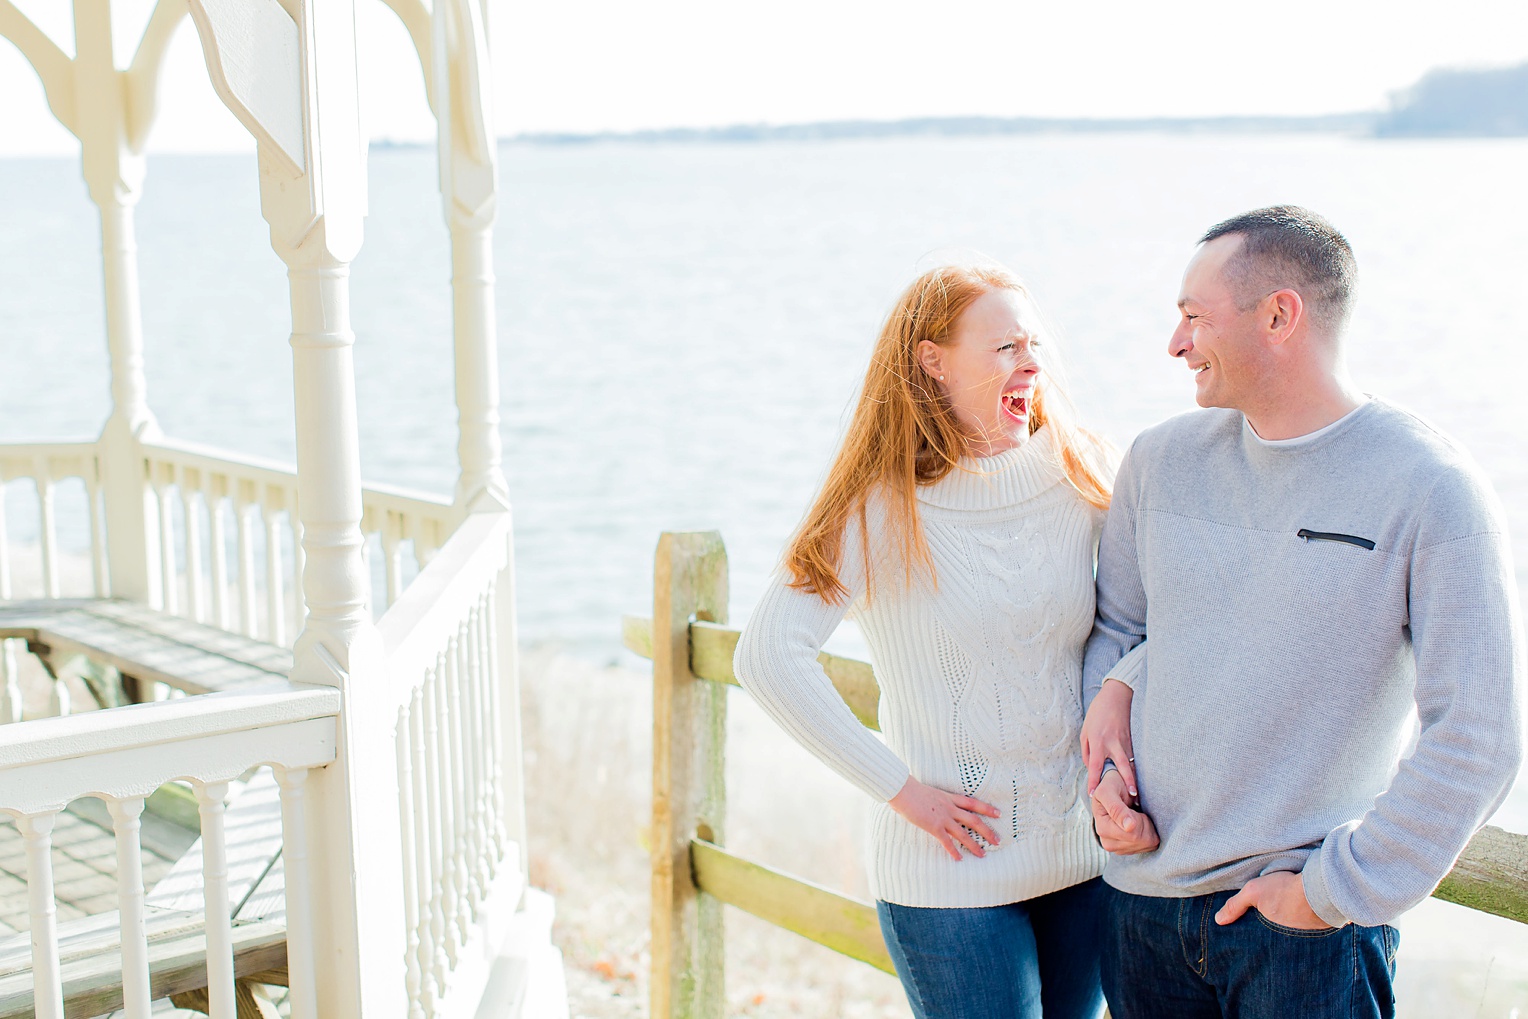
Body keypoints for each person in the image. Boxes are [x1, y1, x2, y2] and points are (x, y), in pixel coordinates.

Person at [1079, 205, 1525, 1019]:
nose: (1175, 344)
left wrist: (1335, 892)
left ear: (1280, 315)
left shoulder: (1432, 488)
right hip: (1139, 911)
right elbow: (1118, 632)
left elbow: (1480, 735)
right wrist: (1105, 784)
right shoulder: (1158, 461)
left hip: (1304, 934)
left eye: (1193, 318)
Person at [734, 263, 1123, 1019]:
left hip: (1085, 860)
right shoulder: (878, 511)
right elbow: (768, 655)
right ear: (932, 361)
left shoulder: (1083, 469)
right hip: (952, 877)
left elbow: (1138, 625)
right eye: (1006, 346)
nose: (1033, 364)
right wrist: (901, 790)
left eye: (1034, 343)